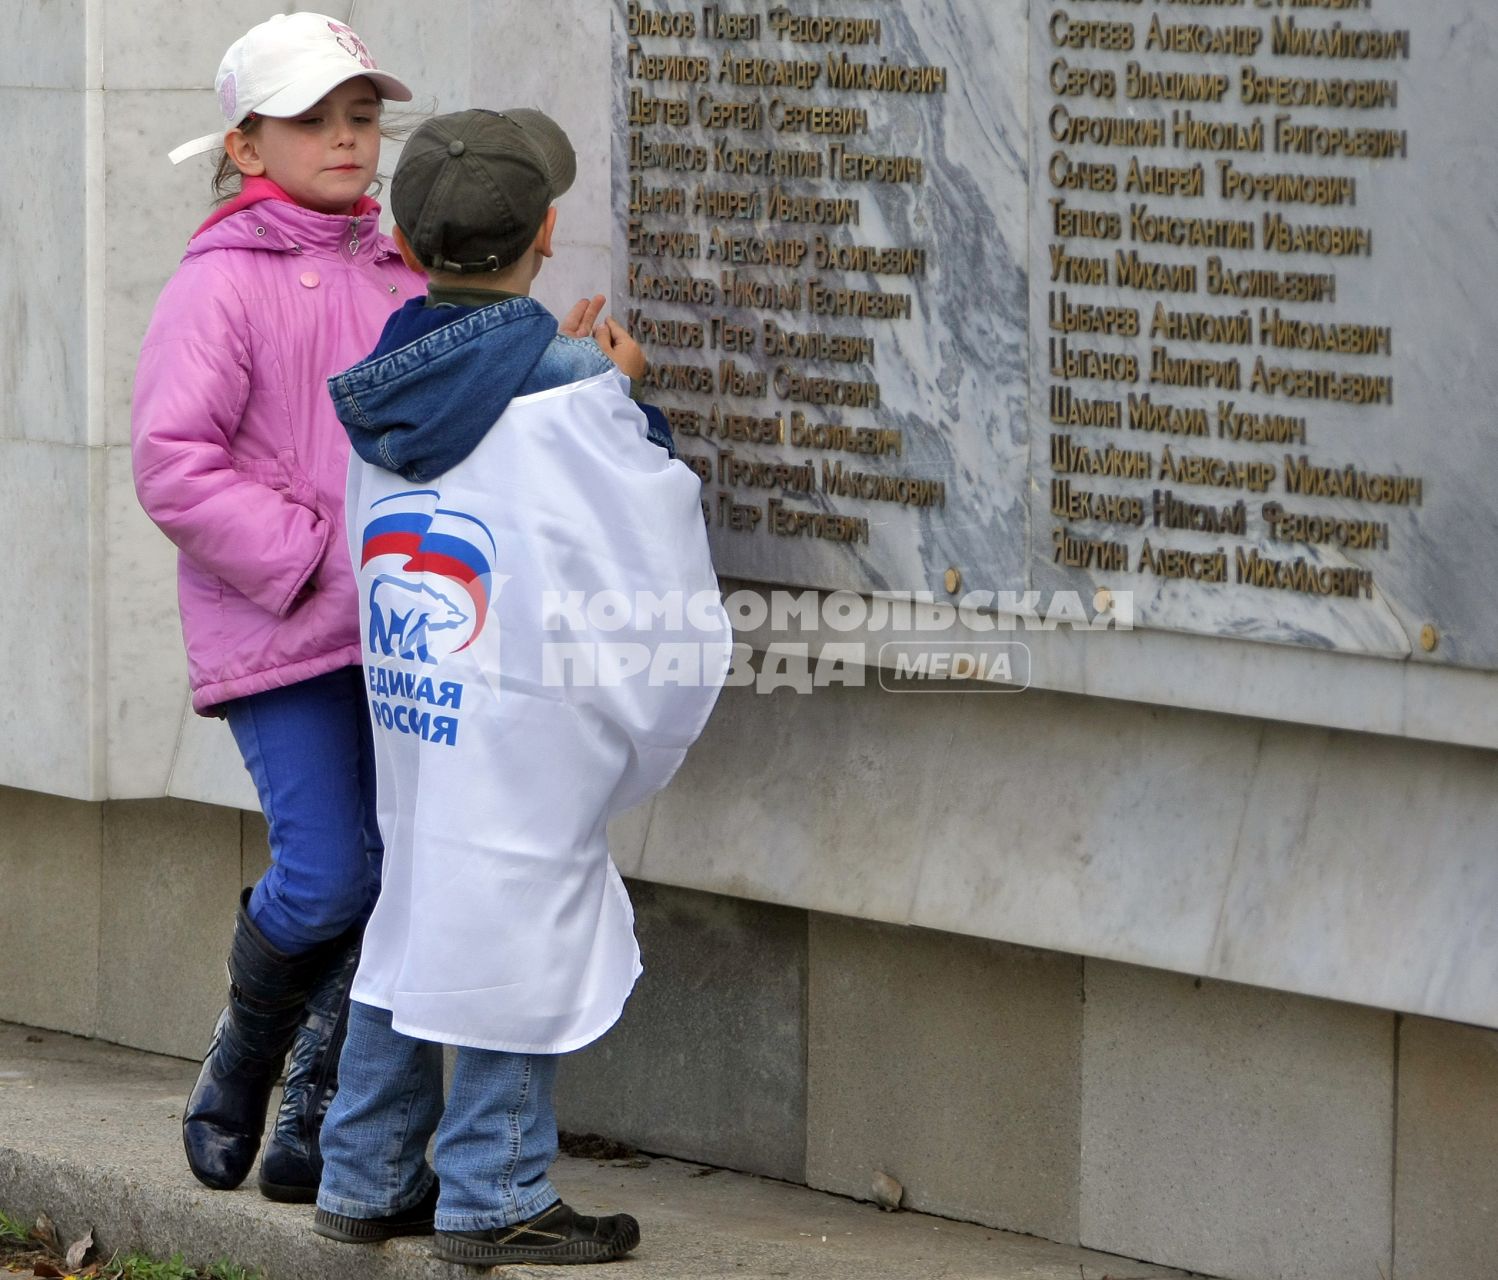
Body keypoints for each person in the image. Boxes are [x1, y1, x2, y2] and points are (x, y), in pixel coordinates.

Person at [310, 108, 730, 1266]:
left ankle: (364, 1171)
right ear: (549, 230)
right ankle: (491, 1188)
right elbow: (633, 520)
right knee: (509, 920)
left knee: (417, 914)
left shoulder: (384, 373)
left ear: (403, 240)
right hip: (514, 716)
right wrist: (621, 396)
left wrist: (585, 380)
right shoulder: (566, 396)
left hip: (418, 703)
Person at [130, 12, 426, 1202]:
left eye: (361, 115)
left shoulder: (399, 263)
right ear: (246, 146)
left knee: (398, 864)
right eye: (313, 119)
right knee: (327, 870)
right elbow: (173, 460)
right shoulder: (220, 284)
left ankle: (321, 1090)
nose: (347, 138)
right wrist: (311, 557)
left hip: (402, 628)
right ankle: (249, 1046)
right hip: (286, 623)